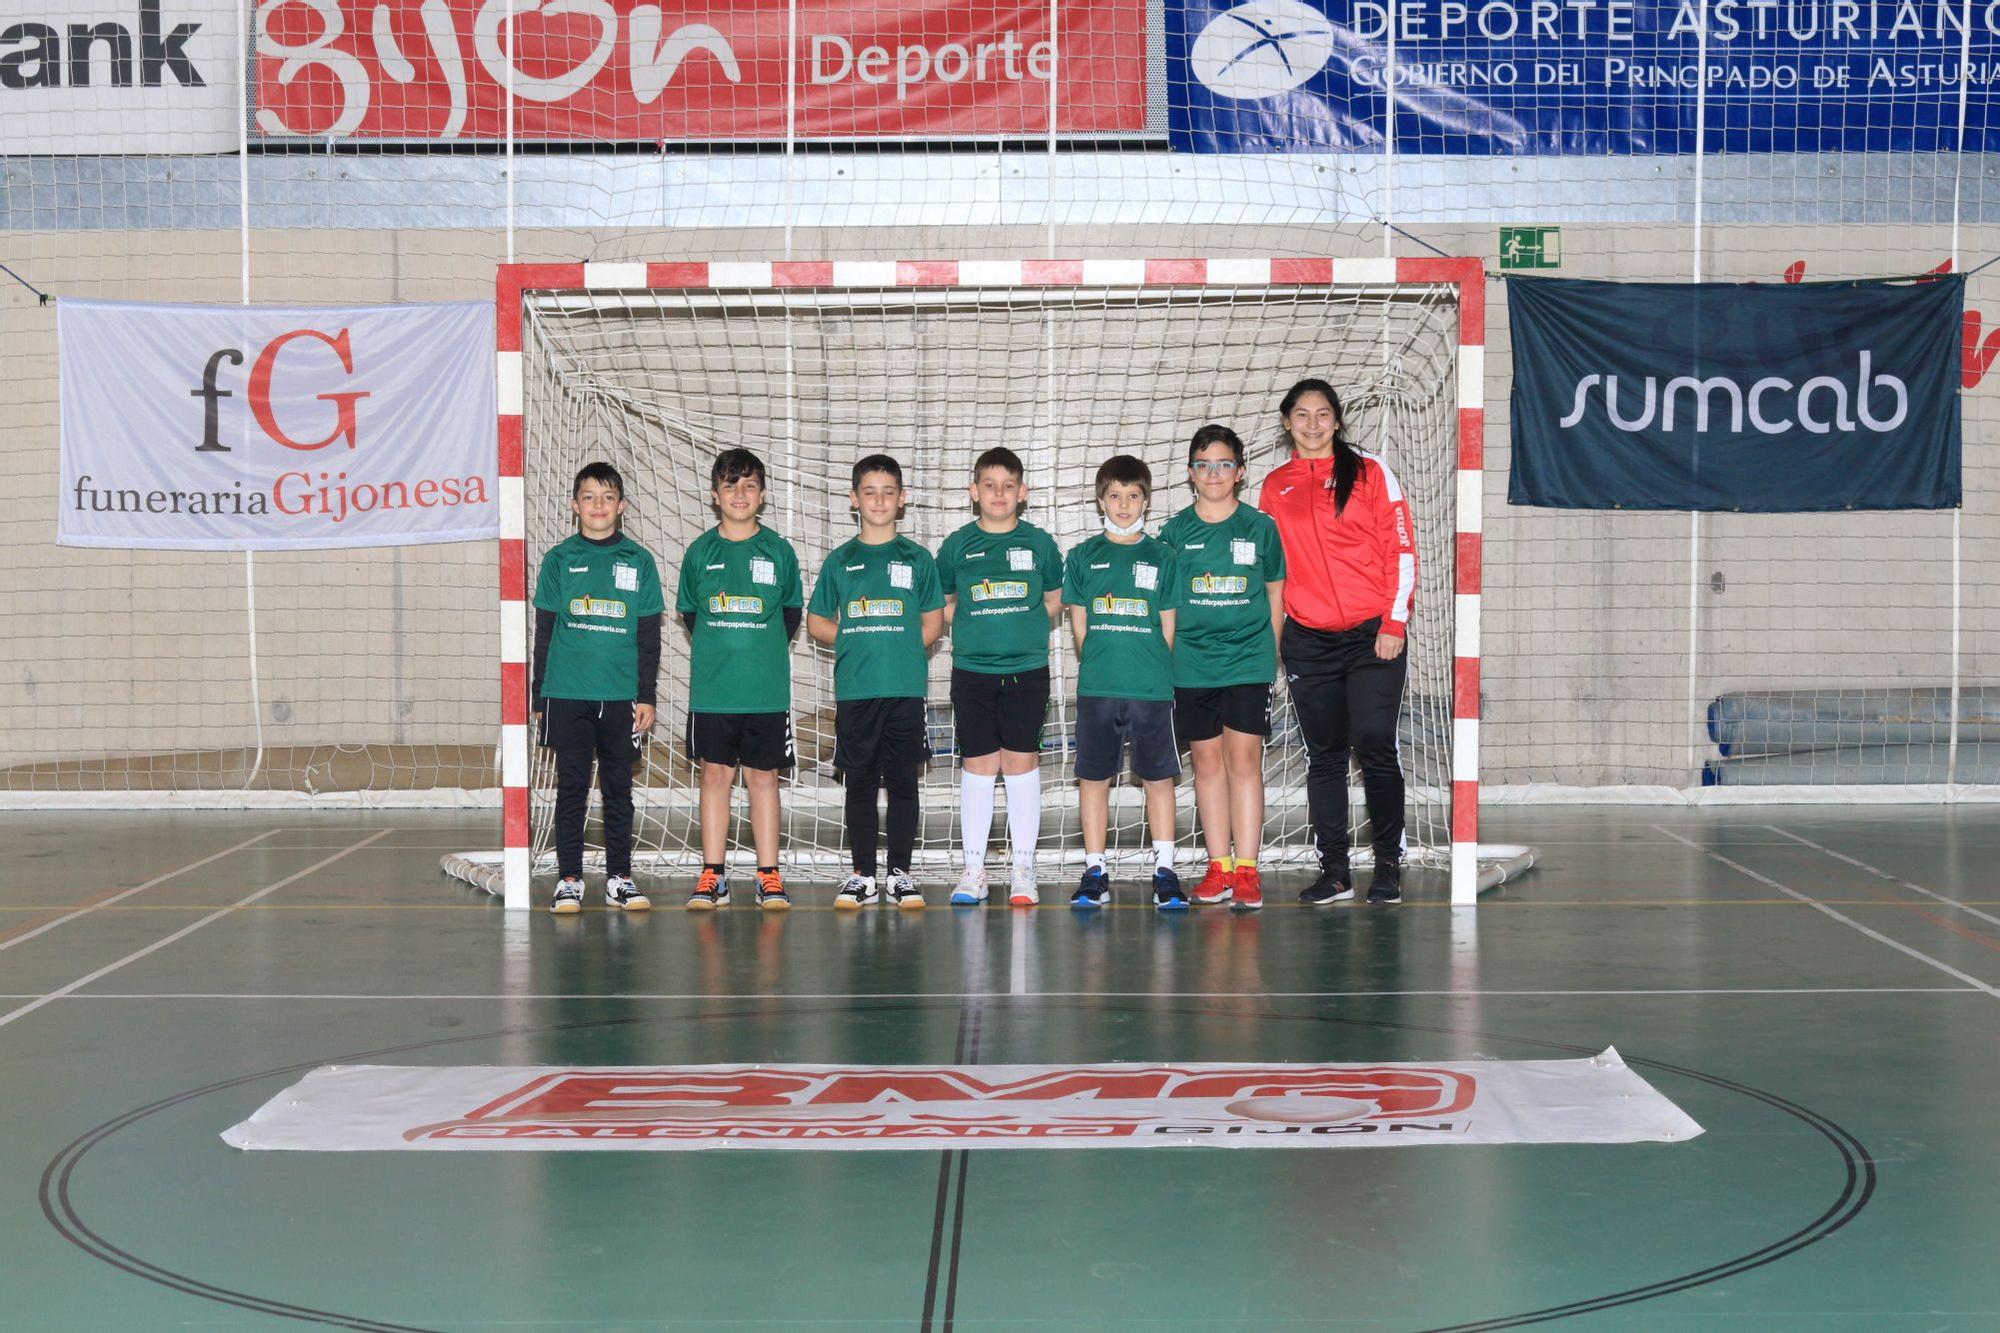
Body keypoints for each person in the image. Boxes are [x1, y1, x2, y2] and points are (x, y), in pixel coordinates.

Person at [1259, 378, 1417, 906]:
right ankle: (1335, 871)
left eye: (1322, 413)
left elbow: (1401, 549)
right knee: (1324, 755)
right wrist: (1273, 640)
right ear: (1287, 423)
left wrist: (1394, 623)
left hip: (1374, 636)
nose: (1312, 423)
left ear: (1337, 420)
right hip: (1308, 641)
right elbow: (1270, 573)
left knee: (1374, 744)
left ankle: (1389, 864)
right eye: (1301, 415)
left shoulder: (1371, 472)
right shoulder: (1272, 487)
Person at [806, 454, 945, 910]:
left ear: (902, 500)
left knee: (904, 781)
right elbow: (816, 622)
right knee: (860, 782)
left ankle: (900, 873)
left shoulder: (917, 559)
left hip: (905, 690)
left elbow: (933, 623)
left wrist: (902, 649)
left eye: (889, 492)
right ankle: (863, 873)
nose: (880, 500)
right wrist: (855, 639)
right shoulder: (841, 561)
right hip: (856, 691)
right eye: (870, 492)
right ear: (854, 500)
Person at [1160, 424, 1286, 911]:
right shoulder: (1174, 533)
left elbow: (1275, 593)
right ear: (1191, 474)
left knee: (1244, 762)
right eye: (1203, 464)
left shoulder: (1260, 528)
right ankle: (1220, 868)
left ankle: (1248, 869)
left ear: (1240, 473)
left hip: (1247, 663)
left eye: (1224, 464)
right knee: (1207, 765)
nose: (1214, 473)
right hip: (1191, 665)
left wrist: (1267, 652)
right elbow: (1166, 604)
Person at [531, 461, 664, 915]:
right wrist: (539, 696)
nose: (598, 505)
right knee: (570, 787)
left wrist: (646, 694)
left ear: (621, 506)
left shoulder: (639, 561)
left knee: (617, 789)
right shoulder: (559, 560)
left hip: (622, 695)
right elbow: (544, 631)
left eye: (608, 497)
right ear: (575, 505)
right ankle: (569, 878)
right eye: (589, 497)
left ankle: (619, 878)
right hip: (567, 694)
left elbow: (649, 636)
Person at [675, 447, 804, 911]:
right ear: (715, 495)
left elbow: (791, 614)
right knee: (714, 776)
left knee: (764, 778)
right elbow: (690, 613)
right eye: (730, 485)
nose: (740, 493)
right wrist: (722, 648)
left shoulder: (778, 551)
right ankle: (714, 873)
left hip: (765, 691)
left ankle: (768, 874)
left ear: (763, 494)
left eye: (750, 484)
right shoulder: (700, 552)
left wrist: (758, 650)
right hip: (713, 689)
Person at [934, 447, 1064, 906]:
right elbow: (944, 603)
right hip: (972, 671)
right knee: (978, 766)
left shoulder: (1040, 544)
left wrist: (1023, 629)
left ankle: (1022, 869)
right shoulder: (956, 546)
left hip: (1027, 671)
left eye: (1009, 485)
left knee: (1021, 764)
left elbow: (1053, 599)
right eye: (989, 485)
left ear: (1022, 492)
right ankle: (974, 868)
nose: (999, 493)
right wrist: (975, 628)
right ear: (974, 491)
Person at [1061, 455, 1186, 911]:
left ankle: (1165, 871)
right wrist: (1101, 663)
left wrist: (1151, 666)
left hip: (1151, 689)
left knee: (1158, 779)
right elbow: (1080, 628)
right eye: (1115, 495)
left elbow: (1167, 627)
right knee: (1094, 779)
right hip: (1099, 687)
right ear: (1100, 501)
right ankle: (1095, 870)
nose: (1124, 504)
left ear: (1147, 501)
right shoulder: (1083, 557)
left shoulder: (1163, 557)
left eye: (1133, 495)